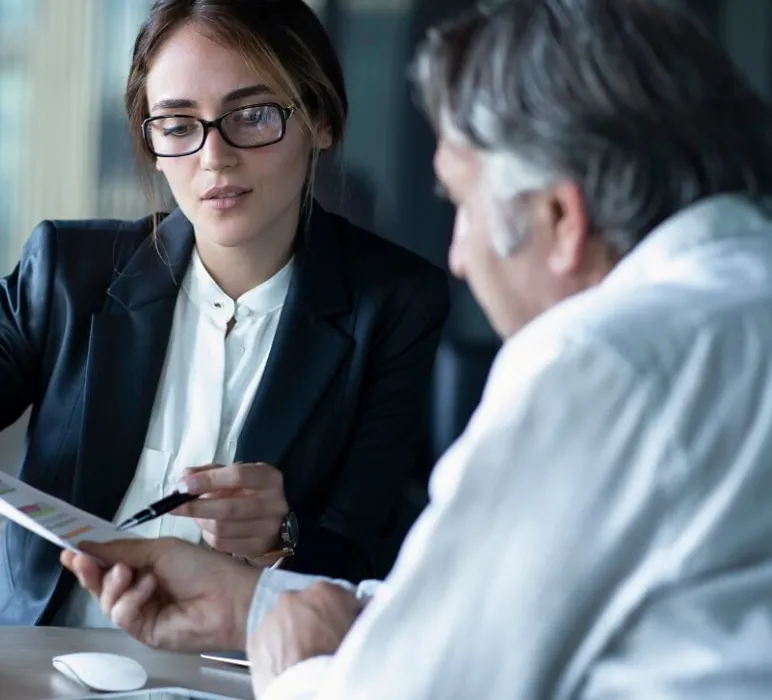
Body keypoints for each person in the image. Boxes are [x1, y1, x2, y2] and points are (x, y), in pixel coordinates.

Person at [63, 0, 772, 697]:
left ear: (561, 218)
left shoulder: (600, 361)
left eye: (462, 205)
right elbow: (501, 615)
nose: (458, 256)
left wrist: (295, 670)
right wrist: (255, 604)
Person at [0, 0, 449, 627]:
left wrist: (282, 536)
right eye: (177, 125)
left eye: (252, 115)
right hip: (25, 653)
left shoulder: (394, 303)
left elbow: (371, 558)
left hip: (230, 671)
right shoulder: (67, 271)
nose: (214, 158)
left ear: (321, 120)